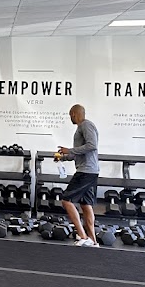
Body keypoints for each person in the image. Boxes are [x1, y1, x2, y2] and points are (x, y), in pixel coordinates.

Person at [57, 104, 99, 247]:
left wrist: (69, 150)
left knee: (66, 201)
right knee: (85, 204)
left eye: (70, 115)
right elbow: (78, 153)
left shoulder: (86, 125)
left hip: (86, 171)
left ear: (74, 114)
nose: (70, 118)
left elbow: (92, 145)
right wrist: (63, 157)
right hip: (89, 170)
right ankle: (93, 241)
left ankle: (82, 235)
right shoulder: (81, 128)